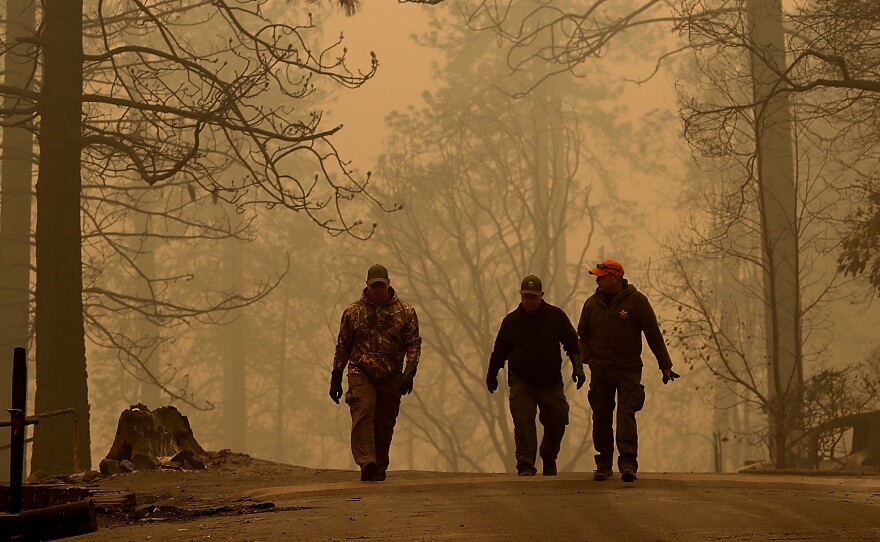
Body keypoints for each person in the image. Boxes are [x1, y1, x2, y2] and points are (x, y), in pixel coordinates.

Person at [577, 259, 679, 483]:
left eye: (600, 276)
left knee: (626, 414)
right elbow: (582, 334)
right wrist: (588, 359)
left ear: (615, 277)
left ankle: (627, 464)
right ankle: (603, 464)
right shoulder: (591, 304)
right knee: (601, 416)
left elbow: (653, 334)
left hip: (628, 369)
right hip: (600, 370)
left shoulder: (636, 301)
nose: (596, 280)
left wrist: (665, 365)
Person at [330, 263, 422, 482]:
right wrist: (335, 376)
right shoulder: (353, 312)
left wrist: (410, 371)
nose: (378, 290)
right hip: (360, 370)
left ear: (389, 284)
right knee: (363, 410)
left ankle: (379, 467)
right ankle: (366, 460)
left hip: (391, 373)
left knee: (385, 422)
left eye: (381, 285)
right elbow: (343, 345)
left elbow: (413, 344)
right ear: (367, 286)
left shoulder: (406, 312)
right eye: (374, 286)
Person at [486, 274, 585, 476]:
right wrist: (492, 374)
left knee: (558, 420)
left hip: (550, 381)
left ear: (541, 295)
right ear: (520, 296)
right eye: (525, 297)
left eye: (533, 297)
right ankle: (525, 465)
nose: (529, 301)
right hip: (522, 381)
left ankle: (548, 456)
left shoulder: (556, 317)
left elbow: (572, 343)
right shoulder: (511, 322)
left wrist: (578, 368)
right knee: (523, 421)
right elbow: (499, 351)